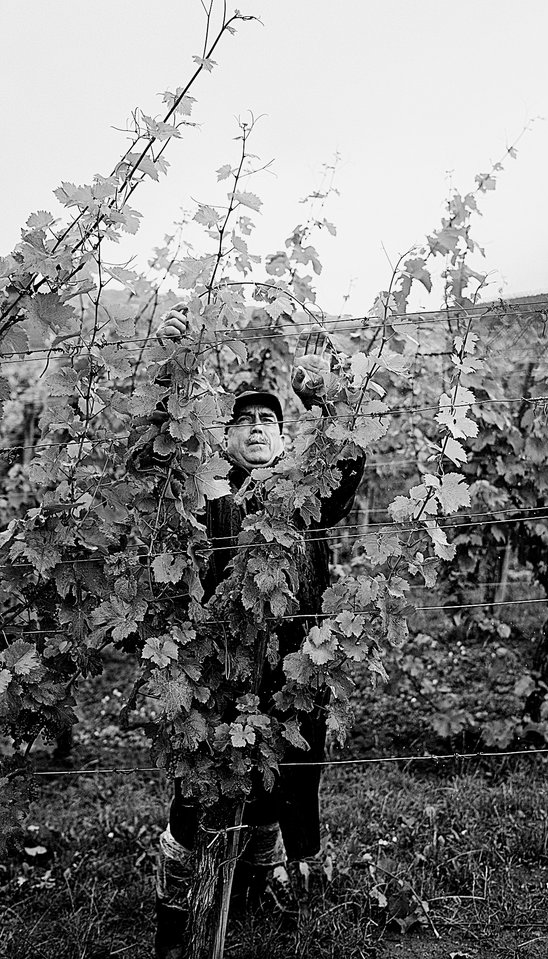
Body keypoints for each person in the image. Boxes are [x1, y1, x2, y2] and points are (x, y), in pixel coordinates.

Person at [149, 307, 365, 959]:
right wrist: (174, 373)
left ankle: (305, 927)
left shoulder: (308, 492)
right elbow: (157, 479)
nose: (257, 426)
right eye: (243, 419)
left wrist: (329, 401)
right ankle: (170, 928)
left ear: (284, 434)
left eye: (269, 418)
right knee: (191, 798)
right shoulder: (208, 501)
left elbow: (349, 462)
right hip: (216, 678)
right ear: (225, 438)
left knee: (299, 794)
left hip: (298, 671)